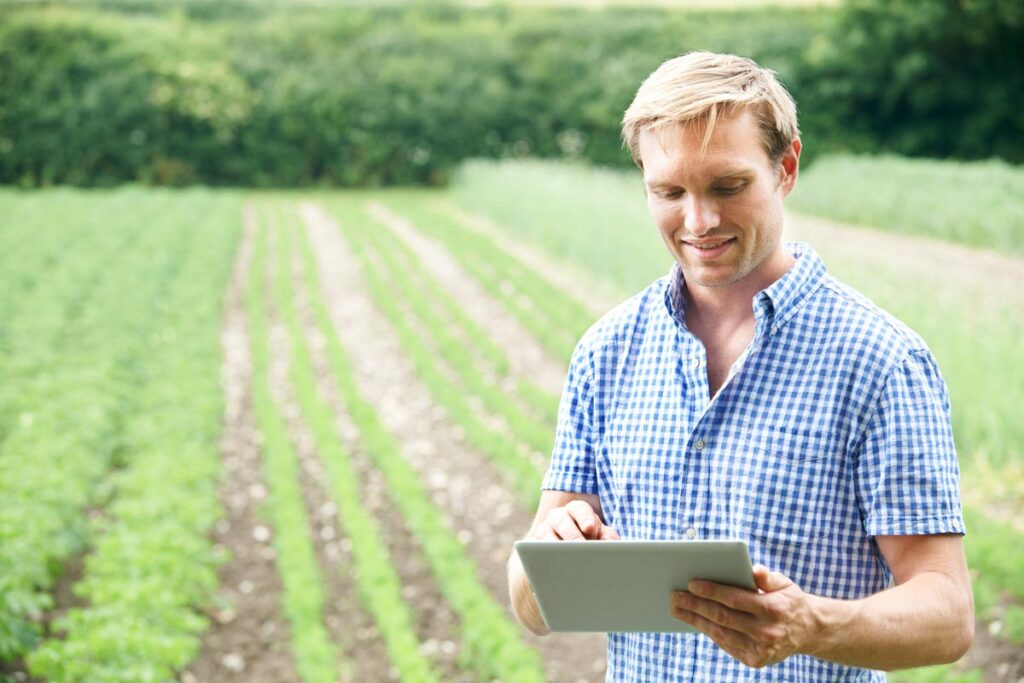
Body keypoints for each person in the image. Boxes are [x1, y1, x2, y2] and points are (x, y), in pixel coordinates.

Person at [506, 51, 973, 681]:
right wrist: (551, 557)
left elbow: (947, 614)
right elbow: (530, 606)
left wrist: (813, 625)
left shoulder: (882, 362)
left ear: (786, 167)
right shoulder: (607, 350)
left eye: (727, 187)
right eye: (668, 192)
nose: (698, 221)